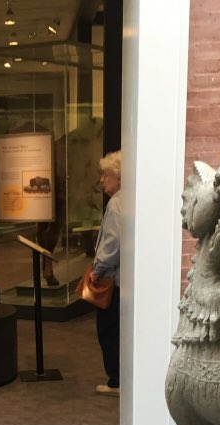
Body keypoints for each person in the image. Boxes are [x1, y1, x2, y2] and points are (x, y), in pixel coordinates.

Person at [92, 150, 122, 396]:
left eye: (106, 174)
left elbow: (112, 244)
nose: (102, 180)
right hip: (124, 279)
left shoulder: (116, 205)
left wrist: (97, 269)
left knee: (108, 330)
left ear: (119, 176)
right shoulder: (128, 200)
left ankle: (116, 380)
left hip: (113, 279)